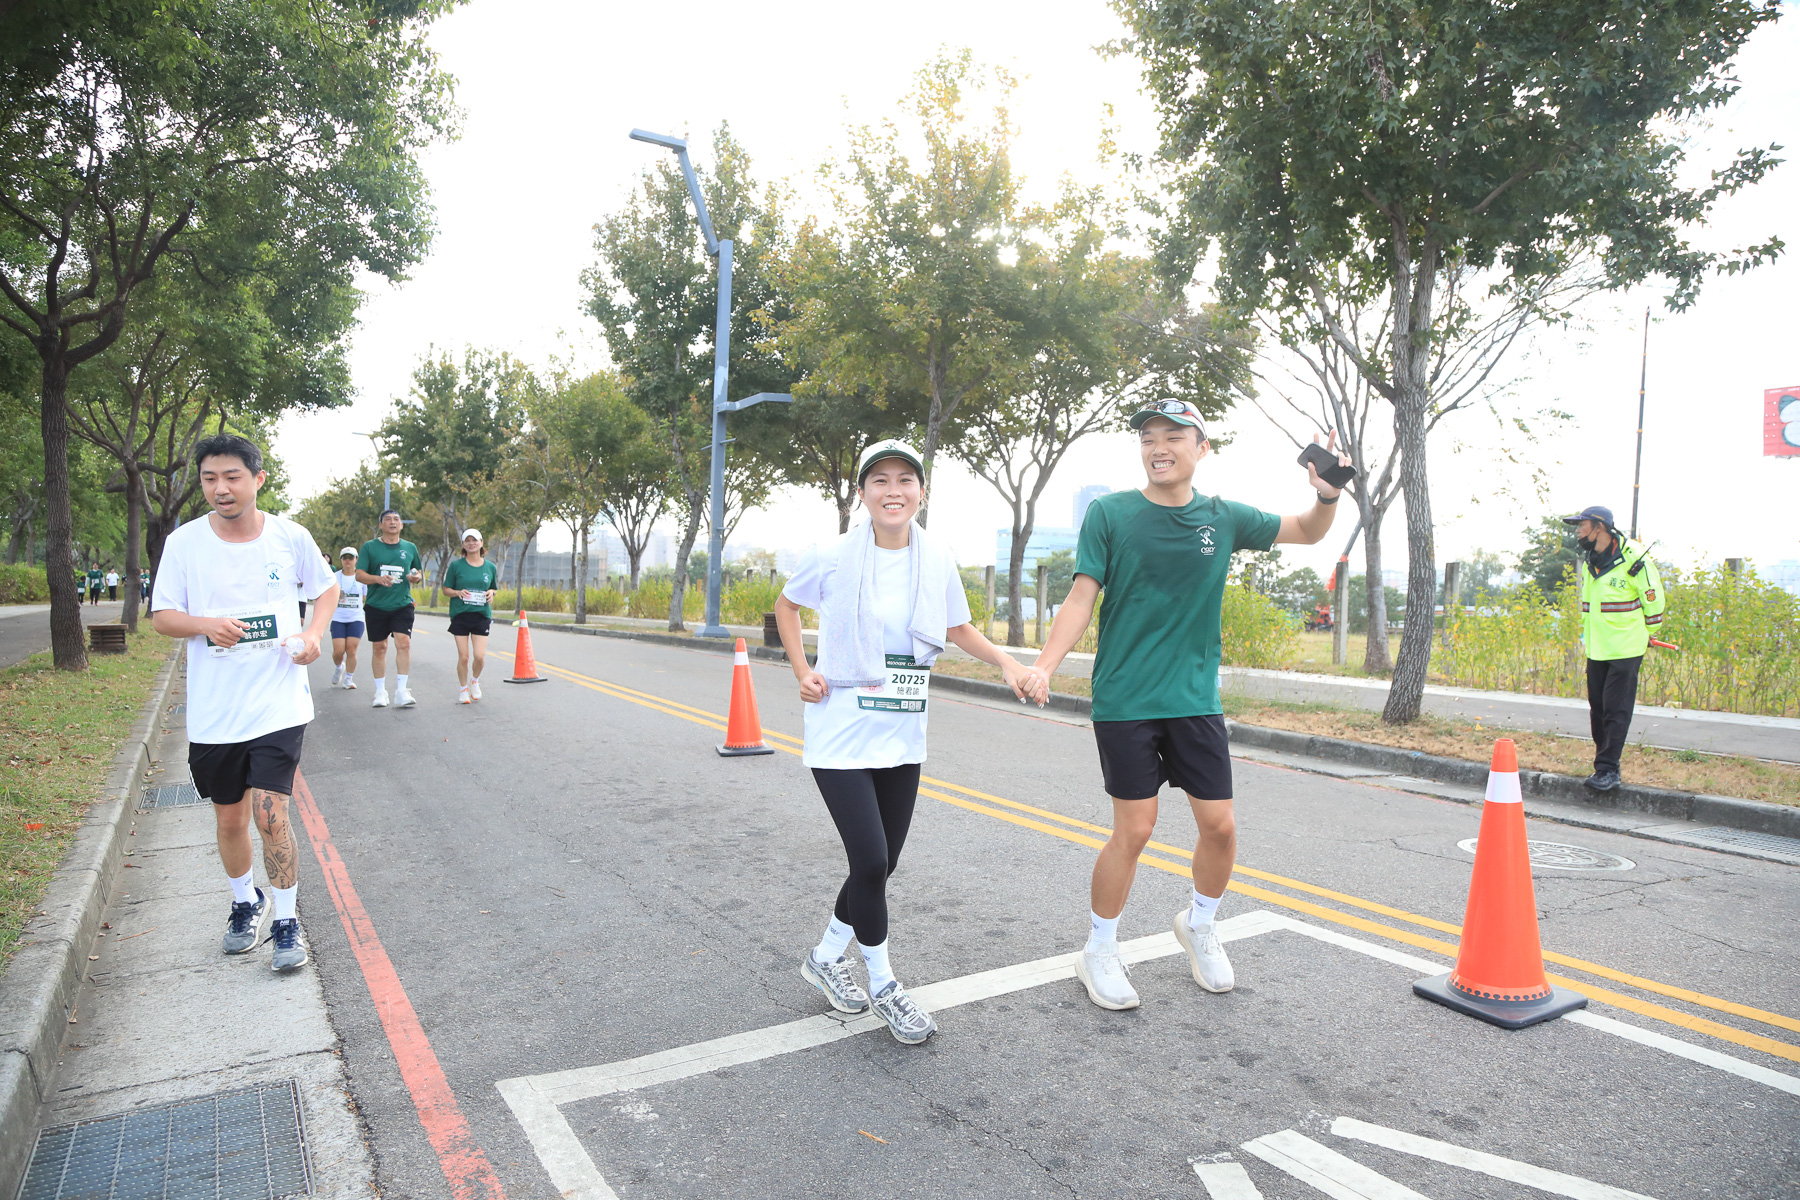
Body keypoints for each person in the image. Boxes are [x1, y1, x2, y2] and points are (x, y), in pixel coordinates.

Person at [1027, 400, 1351, 1012]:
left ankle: (1199, 924)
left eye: (1174, 437)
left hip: (1194, 698)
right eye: (1149, 437)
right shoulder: (1110, 514)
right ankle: (1099, 948)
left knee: (1220, 827)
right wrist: (1045, 665)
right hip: (1126, 697)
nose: (1159, 447)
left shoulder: (1223, 517)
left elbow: (1307, 530)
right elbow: (1081, 597)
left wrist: (1327, 493)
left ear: (1202, 449)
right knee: (1135, 829)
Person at [774, 439, 1047, 1045]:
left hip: (900, 730)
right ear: (862, 493)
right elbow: (786, 607)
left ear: (921, 492)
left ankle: (825, 957)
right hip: (841, 732)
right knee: (871, 861)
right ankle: (884, 985)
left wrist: (1007, 662)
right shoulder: (830, 555)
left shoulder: (936, 557)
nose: (893, 490)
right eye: (880, 480)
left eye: (905, 479)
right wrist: (802, 670)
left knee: (881, 864)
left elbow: (956, 627)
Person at [149, 432, 337, 972]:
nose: (220, 488)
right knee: (230, 820)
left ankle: (287, 921)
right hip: (216, 710)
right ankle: (244, 902)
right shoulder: (184, 543)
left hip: (279, 701)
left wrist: (313, 634)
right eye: (209, 479)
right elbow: (163, 617)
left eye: (231, 477)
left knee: (270, 813)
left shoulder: (289, 536)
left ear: (257, 479)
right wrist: (206, 624)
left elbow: (324, 589)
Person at [1562, 505, 1666, 792]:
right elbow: (1590, 605)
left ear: (1599, 527)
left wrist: (1649, 631)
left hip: (1626, 647)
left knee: (1615, 710)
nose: (1578, 531)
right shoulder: (1591, 560)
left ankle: (1608, 769)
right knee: (1598, 709)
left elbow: (1653, 599)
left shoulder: (1634, 557)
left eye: (1582, 525)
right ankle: (1604, 765)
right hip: (1597, 647)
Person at [355, 509, 423, 708]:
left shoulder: (410, 547)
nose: (393, 522)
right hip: (376, 604)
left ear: (401, 525)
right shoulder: (370, 547)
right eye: (388, 520)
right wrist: (378, 579)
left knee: (404, 643)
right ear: (381, 525)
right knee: (380, 647)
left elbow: (417, 571)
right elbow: (359, 574)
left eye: (396, 520)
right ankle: (380, 692)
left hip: (402, 604)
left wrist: (415, 577)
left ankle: (402, 691)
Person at [442, 528, 498, 704]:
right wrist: (457, 592)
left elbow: (494, 587)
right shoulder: (456, 566)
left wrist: (491, 593)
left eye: (475, 540)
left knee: (479, 656)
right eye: (468, 540)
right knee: (464, 657)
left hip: (481, 615)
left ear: (481, 543)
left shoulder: (490, 567)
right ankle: (463, 689)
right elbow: (446, 589)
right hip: (461, 614)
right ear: (463, 545)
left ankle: (474, 681)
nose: (471, 543)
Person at [330, 547, 368, 689]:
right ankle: (339, 667)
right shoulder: (334, 577)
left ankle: (348, 679)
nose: (347, 561)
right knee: (338, 651)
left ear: (356, 559)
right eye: (344, 558)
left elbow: (366, 597)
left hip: (356, 617)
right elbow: (327, 595)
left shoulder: (361, 577)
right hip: (338, 618)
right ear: (341, 560)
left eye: (350, 558)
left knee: (351, 649)